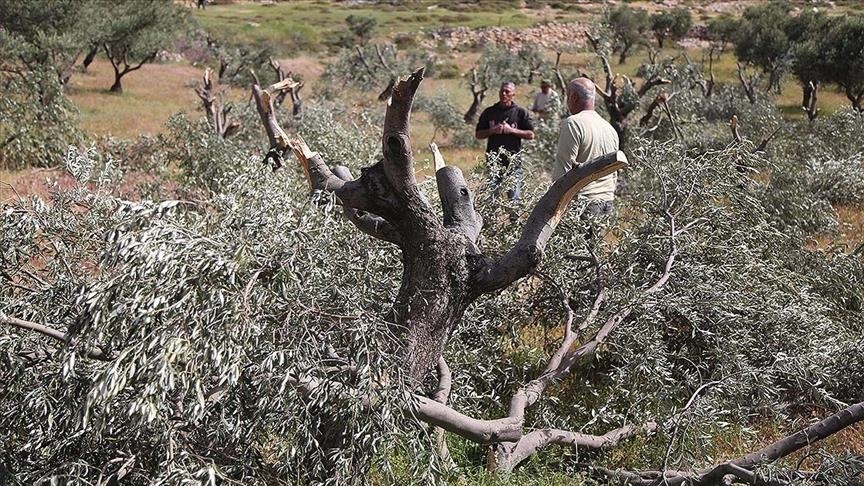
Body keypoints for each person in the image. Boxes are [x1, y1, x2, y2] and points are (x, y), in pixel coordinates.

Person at [553, 77, 620, 217]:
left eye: (568, 96)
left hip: (583, 204)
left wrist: (551, 206)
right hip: (607, 203)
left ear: (574, 97)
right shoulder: (609, 128)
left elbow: (563, 170)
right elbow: (614, 172)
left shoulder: (573, 124)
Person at [475, 81, 535, 202]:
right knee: (492, 199)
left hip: (513, 164)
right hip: (494, 163)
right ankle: (491, 221)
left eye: (507, 91)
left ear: (513, 94)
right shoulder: (489, 112)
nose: (503, 94)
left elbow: (530, 134)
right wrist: (492, 130)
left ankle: (515, 221)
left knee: (514, 200)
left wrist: (511, 130)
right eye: (501, 91)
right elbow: (478, 134)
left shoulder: (520, 112)